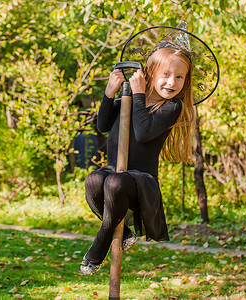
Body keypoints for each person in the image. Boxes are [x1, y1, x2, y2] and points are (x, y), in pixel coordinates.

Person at [80, 45, 196, 275]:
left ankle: (100, 244)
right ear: (150, 73)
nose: (171, 82)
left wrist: (140, 94)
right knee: (94, 180)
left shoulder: (172, 106)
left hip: (140, 180)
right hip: (115, 168)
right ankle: (124, 234)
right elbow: (102, 126)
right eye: (166, 74)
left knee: (115, 182)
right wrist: (109, 93)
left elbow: (143, 133)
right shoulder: (129, 96)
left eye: (179, 77)